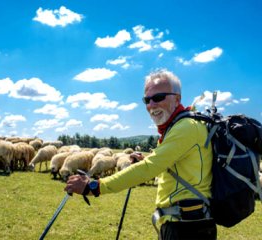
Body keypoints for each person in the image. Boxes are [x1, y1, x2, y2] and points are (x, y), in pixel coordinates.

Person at [65, 69, 217, 240]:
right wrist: (146, 160)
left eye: (158, 97)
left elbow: (149, 169)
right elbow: (173, 168)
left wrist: (95, 186)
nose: (151, 105)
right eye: (147, 100)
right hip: (183, 222)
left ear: (177, 98)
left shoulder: (186, 127)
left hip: (189, 228)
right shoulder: (177, 127)